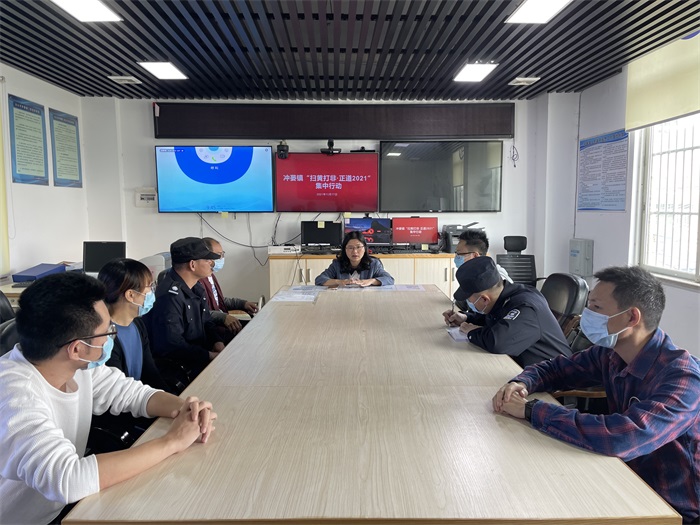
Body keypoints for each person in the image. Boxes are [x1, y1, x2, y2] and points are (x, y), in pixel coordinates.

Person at [0, 272, 216, 525]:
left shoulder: (76, 367)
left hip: (53, 512)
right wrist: (172, 442)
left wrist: (187, 408)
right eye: (107, 331)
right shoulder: (15, 395)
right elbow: (67, 480)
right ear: (77, 348)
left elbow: (132, 394)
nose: (111, 336)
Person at [492, 266, 699, 524]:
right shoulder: (611, 353)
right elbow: (556, 369)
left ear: (631, 317)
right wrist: (522, 382)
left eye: (596, 308)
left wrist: (532, 410)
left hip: (674, 509)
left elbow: (623, 436)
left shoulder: (684, 379)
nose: (586, 314)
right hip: (625, 478)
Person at [450, 256, 571, 366]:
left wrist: (472, 332)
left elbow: (498, 343)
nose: (469, 303)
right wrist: (467, 318)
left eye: (469, 300)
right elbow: (496, 319)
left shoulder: (525, 306)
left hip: (557, 377)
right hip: (527, 371)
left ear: (485, 299)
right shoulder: (504, 296)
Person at [146, 237, 225, 376]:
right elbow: (172, 345)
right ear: (192, 265)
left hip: (199, 358)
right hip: (180, 369)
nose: (212, 263)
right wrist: (209, 355)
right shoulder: (169, 297)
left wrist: (217, 341)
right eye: (207, 260)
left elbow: (207, 321)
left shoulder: (197, 287)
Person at [98, 258, 169, 391]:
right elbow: (118, 390)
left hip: (140, 397)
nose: (152, 291)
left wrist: (172, 398)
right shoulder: (105, 337)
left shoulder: (137, 324)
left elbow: (150, 373)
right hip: (125, 400)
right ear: (131, 295)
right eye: (149, 287)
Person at [443, 229, 511, 324]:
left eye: (459, 254)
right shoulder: (472, 275)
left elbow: (500, 322)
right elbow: (463, 306)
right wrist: (462, 316)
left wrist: (477, 329)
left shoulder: (494, 279)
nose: (456, 258)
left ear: (475, 256)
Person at [198, 237, 258, 337]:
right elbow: (200, 312)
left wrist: (242, 304)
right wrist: (223, 317)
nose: (222, 258)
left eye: (223, 254)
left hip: (220, 323)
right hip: (212, 330)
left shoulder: (210, 276)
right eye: (219, 255)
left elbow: (218, 300)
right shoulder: (198, 280)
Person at [315, 231, 394, 287]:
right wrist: (340, 282)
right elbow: (319, 279)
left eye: (358, 247)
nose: (355, 252)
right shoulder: (337, 264)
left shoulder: (374, 264)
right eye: (350, 248)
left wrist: (371, 281)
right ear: (345, 249)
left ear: (364, 248)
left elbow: (389, 279)